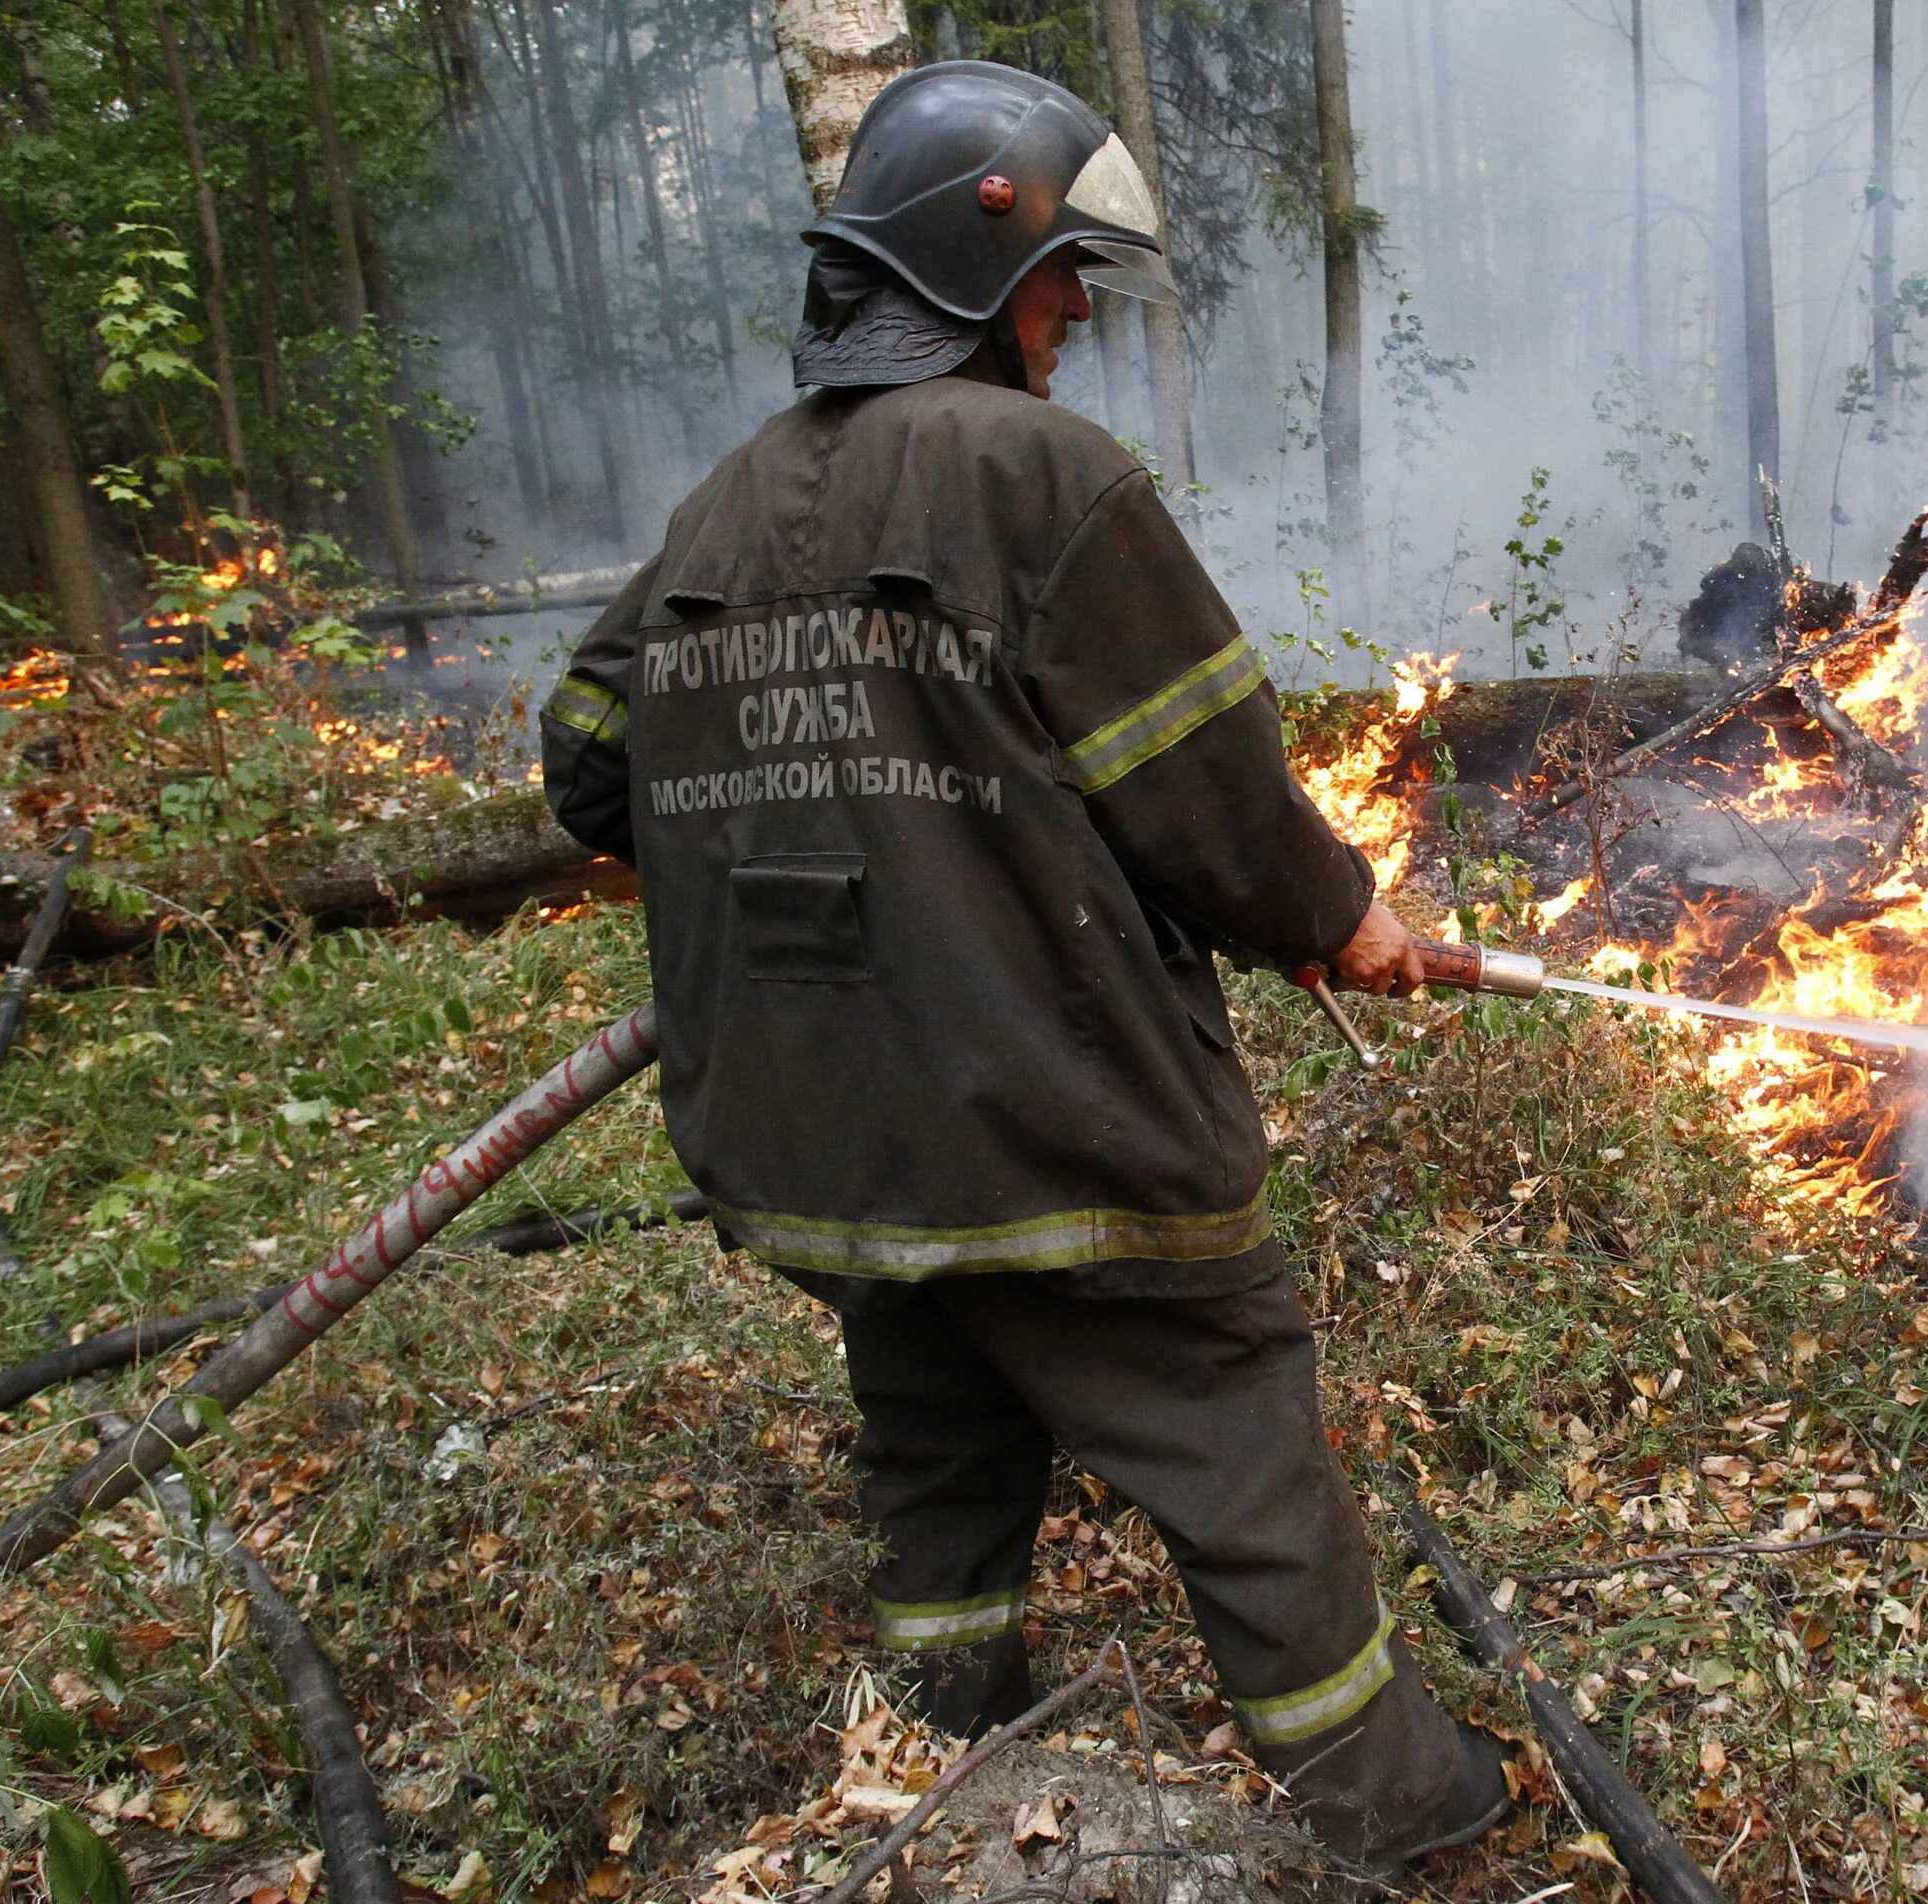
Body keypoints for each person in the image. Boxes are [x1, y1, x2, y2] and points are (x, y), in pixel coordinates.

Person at [536, 59, 1510, 1875]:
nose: (1073, 317)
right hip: (1049, 1112)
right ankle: (1390, 1799)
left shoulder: (721, 511)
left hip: (816, 1135)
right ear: (968, 274)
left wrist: (784, 798)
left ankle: (938, 1736)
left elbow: (587, 762)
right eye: (1061, 277)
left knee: (936, 1423)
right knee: (1230, 1426)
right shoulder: (1040, 475)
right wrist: (1345, 920)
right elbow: (1208, 792)